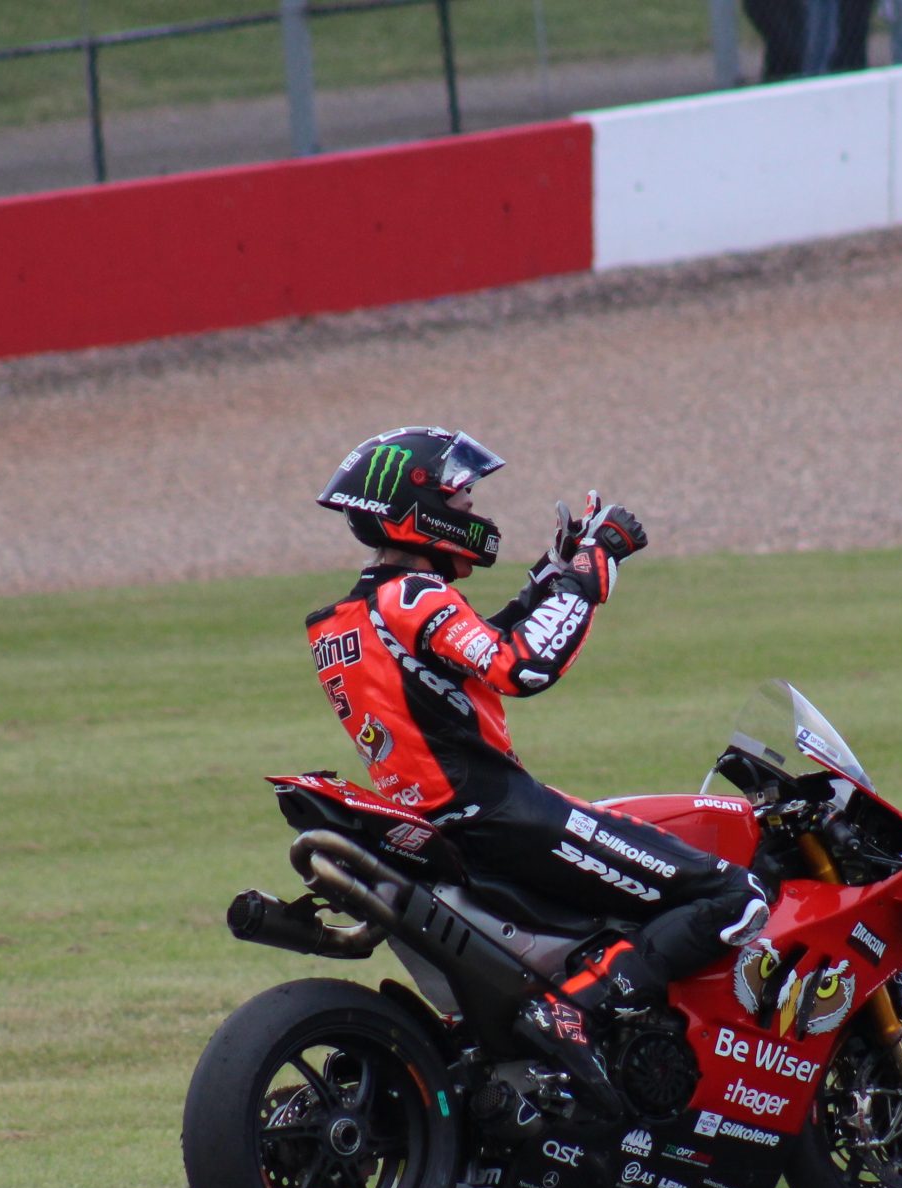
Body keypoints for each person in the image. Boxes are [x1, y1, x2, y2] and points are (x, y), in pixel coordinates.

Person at [305, 427, 770, 1111]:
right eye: (461, 499)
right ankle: (580, 1006)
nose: (472, 513)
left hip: (439, 820)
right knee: (735, 895)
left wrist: (550, 577)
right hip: (496, 811)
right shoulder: (414, 595)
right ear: (419, 509)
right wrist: (593, 568)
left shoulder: (354, 613)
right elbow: (520, 664)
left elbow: (468, 653)